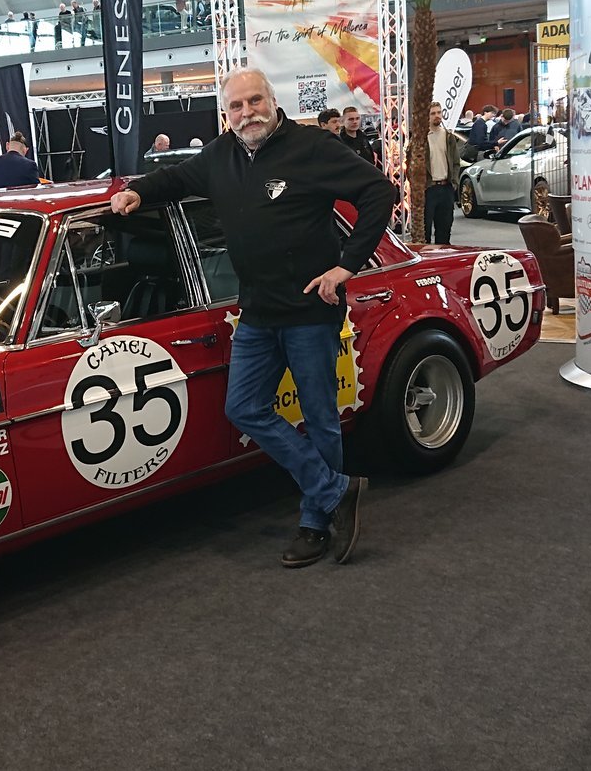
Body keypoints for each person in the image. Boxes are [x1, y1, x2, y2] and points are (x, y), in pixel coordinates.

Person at [112, 67, 389, 568]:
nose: (247, 113)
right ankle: (335, 490)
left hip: (311, 310)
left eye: (255, 101)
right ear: (226, 114)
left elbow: (378, 192)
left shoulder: (311, 147)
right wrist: (138, 192)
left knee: (321, 418)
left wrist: (347, 265)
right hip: (257, 313)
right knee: (243, 408)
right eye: (236, 106)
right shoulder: (221, 154)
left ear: (272, 101)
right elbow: (176, 178)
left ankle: (315, 523)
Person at [424, 102, 470, 245]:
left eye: (439, 112)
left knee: (444, 229)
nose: (437, 116)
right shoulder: (421, 138)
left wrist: (454, 183)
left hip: (446, 188)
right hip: (428, 189)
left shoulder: (448, 137)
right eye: (433, 113)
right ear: (427, 117)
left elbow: (456, 162)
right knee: (424, 230)